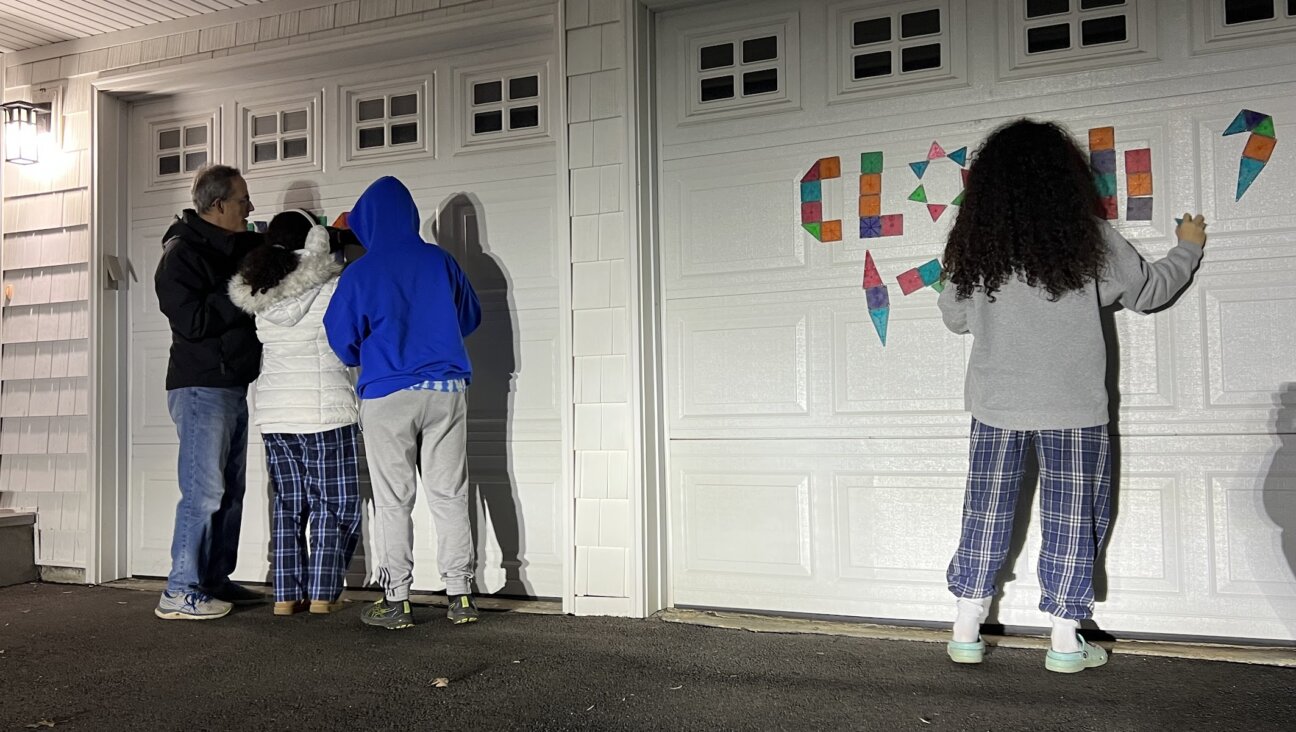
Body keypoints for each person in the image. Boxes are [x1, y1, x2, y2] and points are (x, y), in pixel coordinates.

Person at [937, 119, 1207, 672]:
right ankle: (1064, 640)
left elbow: (955, 318)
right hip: (1074, 409)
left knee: (985, 513)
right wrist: (1188, 247)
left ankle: (966, 628)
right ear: (1065, 178)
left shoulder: (973, 244)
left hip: (997, 407)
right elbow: (1150, 293)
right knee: (1073, 517)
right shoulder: (1089, 237)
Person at [323, 177, 482, 629]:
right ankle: (461, 596)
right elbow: (470, 315)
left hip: (388, 392)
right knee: (449, 494)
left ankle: (397, 601)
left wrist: (374, 355)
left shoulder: (361, 272)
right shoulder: (440, 260)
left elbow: (341, 339)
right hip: (446, 388)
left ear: (370, 223)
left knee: (394, 501)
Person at [228, 210, 362, 617]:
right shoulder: (331, 283)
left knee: (288, 503)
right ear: (315, 238)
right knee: (333, 503)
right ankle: (323, 595)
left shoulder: (261, 291)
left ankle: (286, 595)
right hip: (327, 414)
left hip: (276, 415)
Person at [153, 164, 264, 620]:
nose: (250, 207)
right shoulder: (181, 255)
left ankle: (214, 579)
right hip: (200, 387)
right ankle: (179, 590)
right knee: (203, 491)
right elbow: (192, 322)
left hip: (231, 385)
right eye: (243, 200)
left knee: (229, 491)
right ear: (217, 205)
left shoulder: (231, 246)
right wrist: (240, 289)